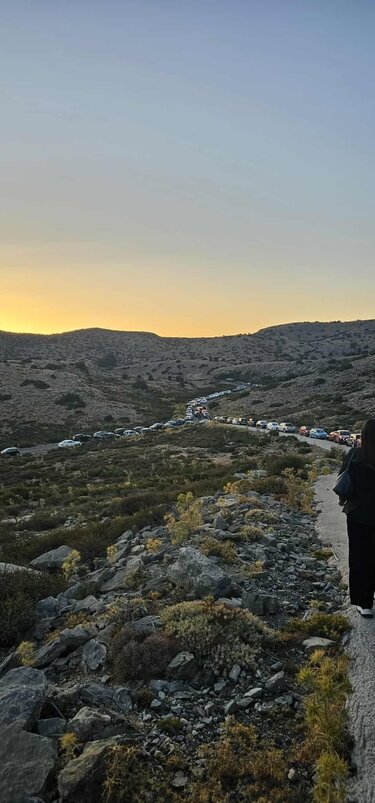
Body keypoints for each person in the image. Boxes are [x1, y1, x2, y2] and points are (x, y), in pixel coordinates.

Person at [338, 419, 375, 617]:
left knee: (360, 557)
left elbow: (342, 478)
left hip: (358, 514)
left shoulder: (355, 455)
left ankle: (364, 602)